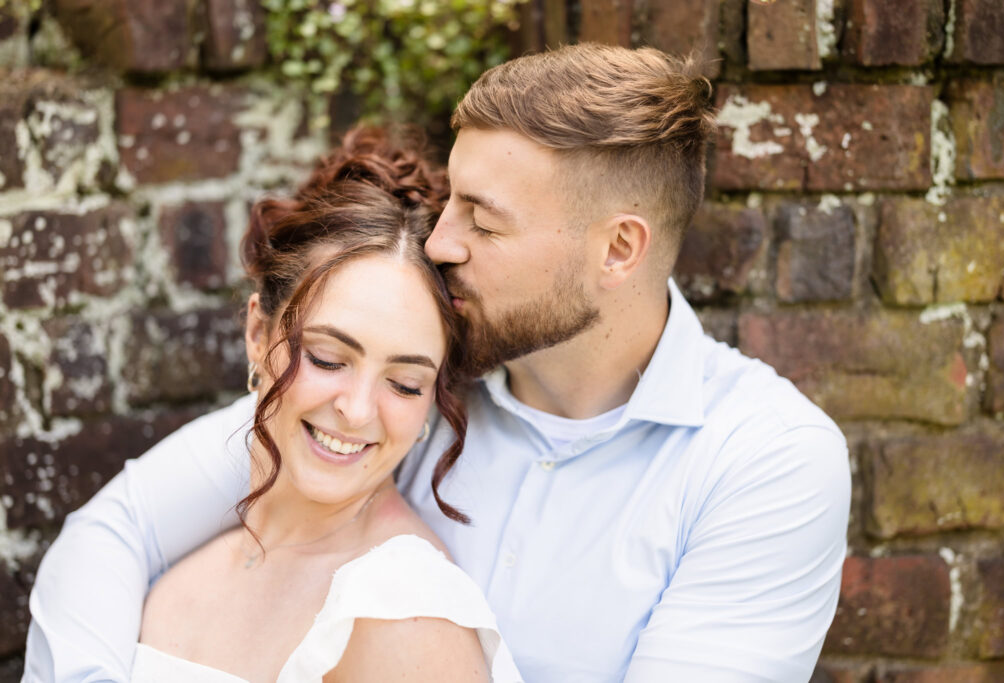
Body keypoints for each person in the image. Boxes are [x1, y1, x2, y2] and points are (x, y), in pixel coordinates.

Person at [26, 44, 850, 682]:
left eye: (484, 223)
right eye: (450, 201)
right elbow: (118, 528)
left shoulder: (763, 460)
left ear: (619, 249)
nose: (442, 241)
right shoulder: (405, 383)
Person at [43, 127, 522, 682]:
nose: (358, 410)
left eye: (406, 384)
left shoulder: (405, 615)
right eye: (326, 358)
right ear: (256, 332)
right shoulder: (183, 557)